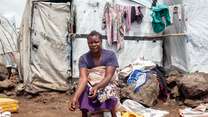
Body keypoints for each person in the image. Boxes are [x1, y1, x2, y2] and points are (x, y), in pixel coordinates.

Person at [69, 30, 119, 117]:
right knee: (83, 89)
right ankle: (85, 113)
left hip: (106, 81)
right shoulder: (83, 58)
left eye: (96, 42)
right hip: (90, 82)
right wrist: (75, 97)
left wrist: (97, 87)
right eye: (90, 43)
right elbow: (83, 78)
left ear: (101, 42)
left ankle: (110, 113)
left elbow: (108, 76)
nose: (93, 45)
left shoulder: (110, 55)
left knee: (108, 89)